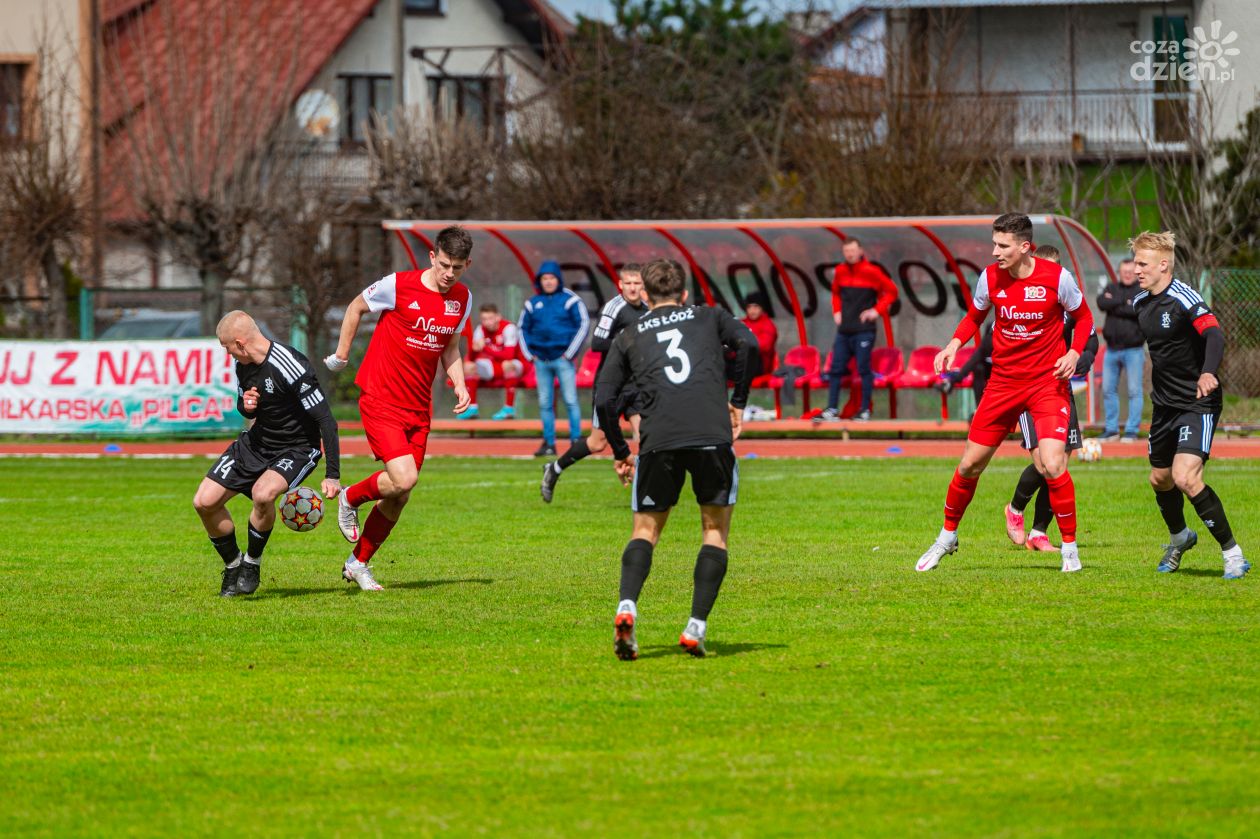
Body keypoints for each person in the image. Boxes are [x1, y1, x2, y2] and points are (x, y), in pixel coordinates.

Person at [595, 258, 758, 660]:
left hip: (658, 438)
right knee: (714, 532)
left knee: (645, 531)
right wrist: (738, 402)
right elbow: (749, 344)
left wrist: (620, 451)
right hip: (710, 434)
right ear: (684, 294)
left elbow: (603, 398)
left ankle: (626, 607)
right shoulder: (709, 316)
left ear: (645, 296)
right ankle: (695, 628)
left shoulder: (630, 334)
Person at [915, 213, 1094, 574]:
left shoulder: (1057, 278)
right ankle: (947, 536)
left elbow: (1086, 318)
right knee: (969, 465)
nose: (995, 251)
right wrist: (953, 344)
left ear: (1025, 247)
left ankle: (1070, 551)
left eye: (1002, 245)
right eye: (994, 244)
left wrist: (1074, 353)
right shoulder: (989, 277)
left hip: (1046, 384)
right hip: (1002, 385)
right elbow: (974, 317)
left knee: (1054, 463)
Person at [324, 226, 474, 590]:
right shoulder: (399, 284)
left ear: (466, 264)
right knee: (405, 478)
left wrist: (461, 384)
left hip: (418, 407)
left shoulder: (463, 298)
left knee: (399, 493)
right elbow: (356, 306)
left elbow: (450, 347)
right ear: (432, 257)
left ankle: (357, 562)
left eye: (456, 267)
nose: (448, 273)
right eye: (443, 264)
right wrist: (343, 354)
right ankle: (350, 496)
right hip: (382, 397)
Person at [193, 311, 341, 597]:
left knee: (263, 494)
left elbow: (326, 421)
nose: (228, 354)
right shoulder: (243, 365)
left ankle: (252, 563)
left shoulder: (292, 366)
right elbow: (244, 404)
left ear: (241, 343)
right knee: (203, 502)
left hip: (297, 448)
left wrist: (332, 475)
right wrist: (246, 406)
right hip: (256, 443)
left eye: (227, 348)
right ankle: (233, 565)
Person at [1131, 231, 1248, 579]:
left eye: (1143, 263)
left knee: (1186, 476)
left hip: (1198, 402)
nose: (1136, 269)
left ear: (1163, 265)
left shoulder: (1183, 296)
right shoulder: (1140, 303)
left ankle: (1233, 554)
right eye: (1136, 262)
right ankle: (1180, 537)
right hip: (1164, 406)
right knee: (1160, 479)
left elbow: (1214, 333)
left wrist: (1208, 373)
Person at [1002, 244, 1099, 552]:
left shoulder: (1066, 296)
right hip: (1028, 390)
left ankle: (1039, 533)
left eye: (1055, 267)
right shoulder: (1017, 299)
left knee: (1058, 467)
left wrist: (1083, 358)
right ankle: (1015, 508)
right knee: (1045, 465)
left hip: (1059, 390)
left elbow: (1091, 336)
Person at [540, 264, 647, 502]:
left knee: (646, 437)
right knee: (598, 443)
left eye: (637, 283)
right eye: (628, 283)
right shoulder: (614, 307)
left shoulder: (648, 309)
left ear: (644, 284)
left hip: (637, 384)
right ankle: (555, 468)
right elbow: (598, 342)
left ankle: (644, 496)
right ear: (620, 285)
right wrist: (630, 346)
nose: (632, 288)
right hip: (611, 384)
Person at [818, 238, 899, 422]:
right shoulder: (840, 271)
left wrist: (876, 311)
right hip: (844, 330)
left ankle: (864, 410)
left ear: (861, 251)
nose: (850, 254)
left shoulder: (872, 271)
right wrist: (836, 311)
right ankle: (832, 409)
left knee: (863, 369)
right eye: (846, 251)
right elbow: (836, 293)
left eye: (853, 250)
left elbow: (892, 292)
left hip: (864, 330)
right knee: (836, 369)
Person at [519, 260, 590, 457]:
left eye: (551, 278)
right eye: (544, 278)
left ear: (558, 279)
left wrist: (570, 353)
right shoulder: (532, 303)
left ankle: (576, 440)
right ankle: (549, 443)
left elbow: (583, 324)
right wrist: (529, 355)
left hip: (563, 359)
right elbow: (522, 328)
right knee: (544, 403)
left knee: (570, 400)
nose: (548, 282)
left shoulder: (570, 300)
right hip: (541, 360)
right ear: (539, 281)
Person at [1096, 257, 1145, 441]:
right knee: (1108, 389)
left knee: (1134, 391)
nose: (1127, 275)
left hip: (1134, 350)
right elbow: (1101, 302)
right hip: (1112, 349)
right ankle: (1111, 430)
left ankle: (1131, 430)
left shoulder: (1141, 291)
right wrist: (1124, 302)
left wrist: (1116, 303)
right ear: (1119, 273)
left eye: (1130, 272)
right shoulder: (1112, 287)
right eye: (1124, 272)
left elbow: (1136, 310)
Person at [461, 303, 523, 421]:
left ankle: (509, 408)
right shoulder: (480, 329)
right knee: (468, 366)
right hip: (495, 367)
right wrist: (474, 349)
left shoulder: (508, 328)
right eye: (484, 319)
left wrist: (485, 348)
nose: (488, 322)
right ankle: (472, 407)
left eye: (490, 318)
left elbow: (509, 356)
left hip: (516, 366)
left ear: (498, 317)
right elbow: (472, 358)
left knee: (507, 364)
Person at [741, 291, 779, 379]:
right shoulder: (742, 323)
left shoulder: (768, 325)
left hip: (760, 366)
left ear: (762, 308)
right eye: (749, 307)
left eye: (756, 306)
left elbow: (765, 346)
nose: (752, 310)